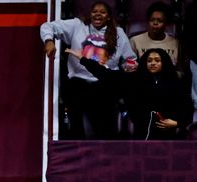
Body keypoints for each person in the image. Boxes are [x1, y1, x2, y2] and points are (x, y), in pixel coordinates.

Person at [40, 1, 137, 139]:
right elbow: (47, 26)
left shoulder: (118, 33)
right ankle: (76, 145)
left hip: (104, 85)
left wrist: (129, 68)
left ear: (109, 17)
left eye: (102, 12)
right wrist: (49, 40)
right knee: (72, 97)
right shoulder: (77, 26)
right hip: (78, 83)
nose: (98, 14)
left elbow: (130, 59)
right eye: (94, 11)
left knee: (104, 126)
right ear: (90, 14)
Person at [67, 47, 191, 139]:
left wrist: (176, 123)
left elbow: (188, 108)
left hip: (167, 135)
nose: (153, 63)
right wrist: (83, 59)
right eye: (149, 60)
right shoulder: (134, 80)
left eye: (157, 60)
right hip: (141, 135)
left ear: (164, 63)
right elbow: (107, 75)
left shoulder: (175, 83)